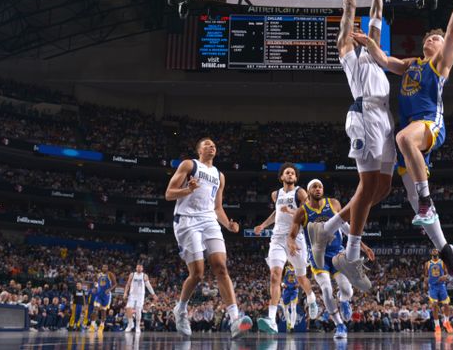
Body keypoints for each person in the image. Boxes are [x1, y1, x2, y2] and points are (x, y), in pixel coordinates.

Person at [350, 0, 453, 282]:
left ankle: (426, 201)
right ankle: (450, 253)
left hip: (428, 124)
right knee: (408, 191)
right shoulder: (411, 64)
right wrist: (368, 42)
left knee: (403, 139)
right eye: (430, 37)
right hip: (413, 136)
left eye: (435, 37)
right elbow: (384, 60)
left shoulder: (440, 63)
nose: (433, 39)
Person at [307, 0, 393, 292]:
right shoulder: (347, 51)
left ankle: (326, 229)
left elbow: (377, 12)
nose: (358, 28)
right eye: (352, 28)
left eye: (361, 28)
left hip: (384, 117)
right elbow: (349, 12)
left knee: (382, 189)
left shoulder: (373, 48)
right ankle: (349, 254)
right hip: (363, 113)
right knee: (367, 185)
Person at [166, 137, 253, 338]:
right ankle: (180, 310)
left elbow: (217, 207)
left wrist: (228, 225)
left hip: (209, 220)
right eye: (207, 144)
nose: (212, 146)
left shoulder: (219, 175)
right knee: (197, 273)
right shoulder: (189, 165)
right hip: (187, 220)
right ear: (199, 150)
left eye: (214, 144)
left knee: (221, 266)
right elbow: (169, 194)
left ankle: (234, 319)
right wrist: (188, 189)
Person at [289, 178, 375, 341]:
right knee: (327, 290)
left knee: (347, 290)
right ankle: (339, 325)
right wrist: (291, 243)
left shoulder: (333, 203)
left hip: (337, 253)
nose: (318, 189)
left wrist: (363, 245)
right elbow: (291, 235)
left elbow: (344, 226)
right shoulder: (302, 211)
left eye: (320, 186)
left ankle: (344, 301)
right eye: (314, 186)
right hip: (317, 257)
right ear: (308, 191)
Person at [253, 162, 319, 333]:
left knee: (301, 277)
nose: (290, 175)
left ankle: (311, 298)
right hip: (277, 238)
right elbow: (277, 213)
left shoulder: (300, 192)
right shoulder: (276, 194)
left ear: (296, 178)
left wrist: (291, 211)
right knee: (275, 276)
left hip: (296, 237)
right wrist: (263, 225)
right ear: (281, 176)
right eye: (287, 173)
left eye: (292, 173)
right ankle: (271, 320)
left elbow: (308, 212)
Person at [122, 263, 156, 333]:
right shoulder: (132, 274)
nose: (139, 269)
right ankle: (130, 324)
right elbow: (128, 284)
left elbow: (148, 286)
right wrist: (125, 292)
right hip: (132, 294)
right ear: (136, 268)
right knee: (128, 308)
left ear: (142, 268)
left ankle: (137, 326)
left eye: (140, 267)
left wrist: (153, 294)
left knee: (138, 309)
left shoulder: (144, 276)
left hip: (140, 295)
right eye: (137, 267)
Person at [426, 248, 453, 335]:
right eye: (433, 250)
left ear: (438, 252)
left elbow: (447, 274)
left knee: (446, 305)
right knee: (434, 305)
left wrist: (445, 276)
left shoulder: (442, 262)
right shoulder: (427, 263)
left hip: (441, 286)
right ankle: (437, 326)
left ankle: (446, 322)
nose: (434, 251)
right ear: (431, 253)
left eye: (436, 250)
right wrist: (425, 283)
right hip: (433, 286)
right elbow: (425, 275)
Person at [90, 265, 116, 333]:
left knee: (103, 311)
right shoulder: (98, 275)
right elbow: (96, 283)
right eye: (103, 267)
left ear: (107, 268)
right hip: (99, 294)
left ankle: (102, 325)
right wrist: (95, 288)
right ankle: (92, 325)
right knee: (95, 309)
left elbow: (115, 284)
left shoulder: (110, 274)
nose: (104, 268)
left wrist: (109, 289)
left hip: (106, 295)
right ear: (101, 268)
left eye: (106, 267)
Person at [280, 266, 300, 332]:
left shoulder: (298, 266)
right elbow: (280, 278)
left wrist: (299, 284)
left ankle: (292, 326)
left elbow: (302, 278)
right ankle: (288, 322)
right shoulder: (285, 267)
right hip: (286, 289)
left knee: (293, 308)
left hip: (294, 289)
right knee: (285, 308)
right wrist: (282, 284)